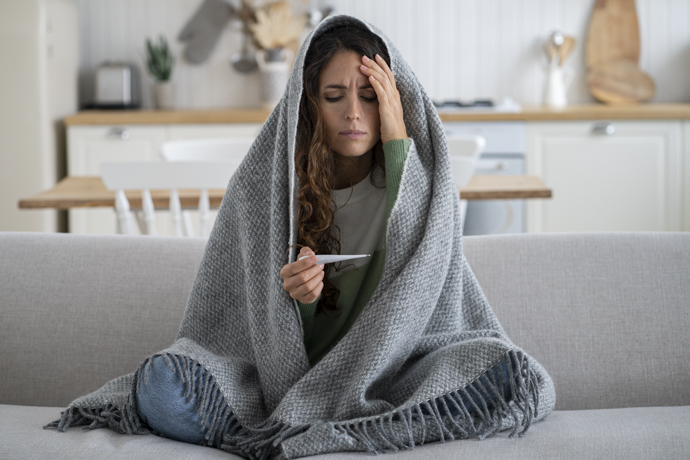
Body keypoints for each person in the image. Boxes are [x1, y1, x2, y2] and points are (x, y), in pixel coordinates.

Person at [49, 16, 554, 458]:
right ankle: (315, 426)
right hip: (280, 381)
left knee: (510, 374)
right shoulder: (266, 185)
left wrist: (399, 139)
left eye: (371, 96)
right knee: (164, 384)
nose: (354, 114)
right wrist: (298, 301)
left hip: (391, 372)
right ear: (308, 104)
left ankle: (344, 424)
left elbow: (421, 283)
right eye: (335, 97)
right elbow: (241, 326)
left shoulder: (414, 185)